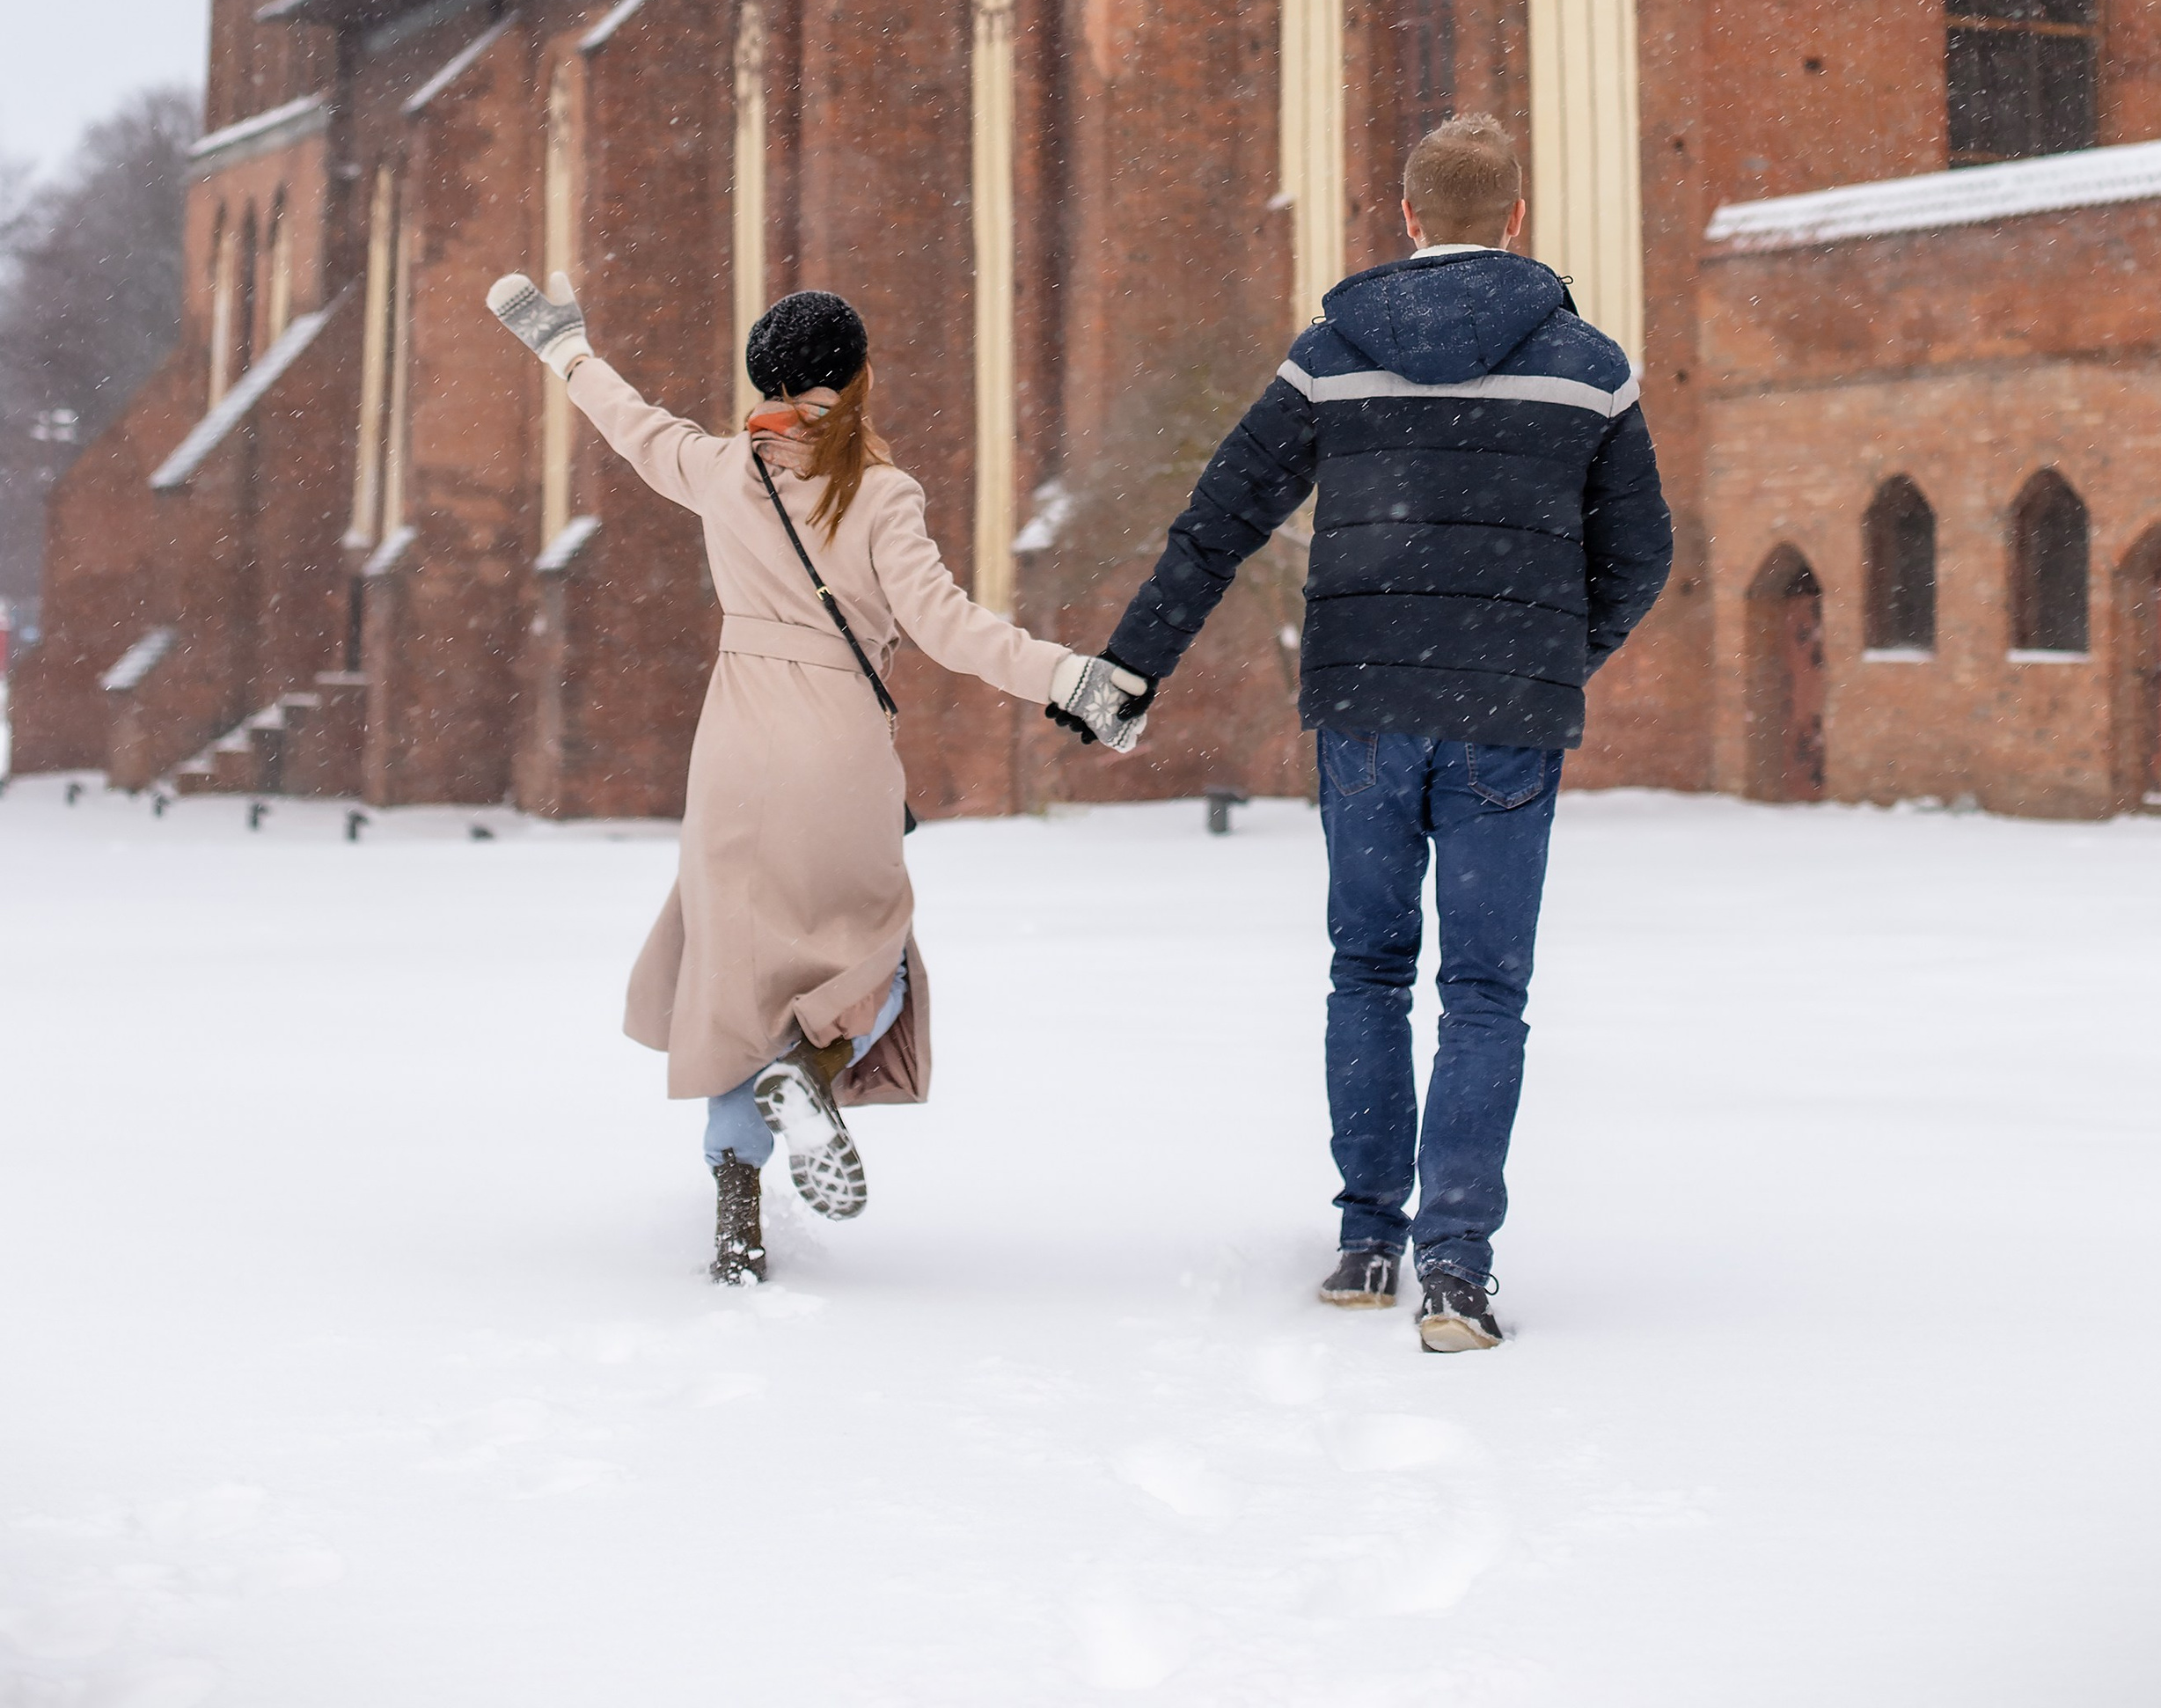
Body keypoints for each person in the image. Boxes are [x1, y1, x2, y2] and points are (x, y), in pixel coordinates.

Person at [1085, 113, 1672, 1353]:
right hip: (1507, 720)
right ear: (1516, 218)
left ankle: (1365, 1241)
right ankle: (1456, 1268)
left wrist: (1132, 665)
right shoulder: (1588, 367)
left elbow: (1220, 518)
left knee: (1368, 969)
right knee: (1485, 990)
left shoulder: (1332, 356)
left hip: (1363, 712)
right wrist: (1552, 657)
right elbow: (1642, 554)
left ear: (1408, 218)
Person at [485, 268, 1149, 1281]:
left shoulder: (720, 470)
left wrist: (566, 349)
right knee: (871, 955)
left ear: (763, 378)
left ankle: (737, 1219)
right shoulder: (880, 492)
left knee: (734, 975)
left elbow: (630, 425)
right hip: (836, 751)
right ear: (858, 376)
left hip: (733, 751)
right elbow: (947, 626)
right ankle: (811, 1064)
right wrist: (1069, 677)